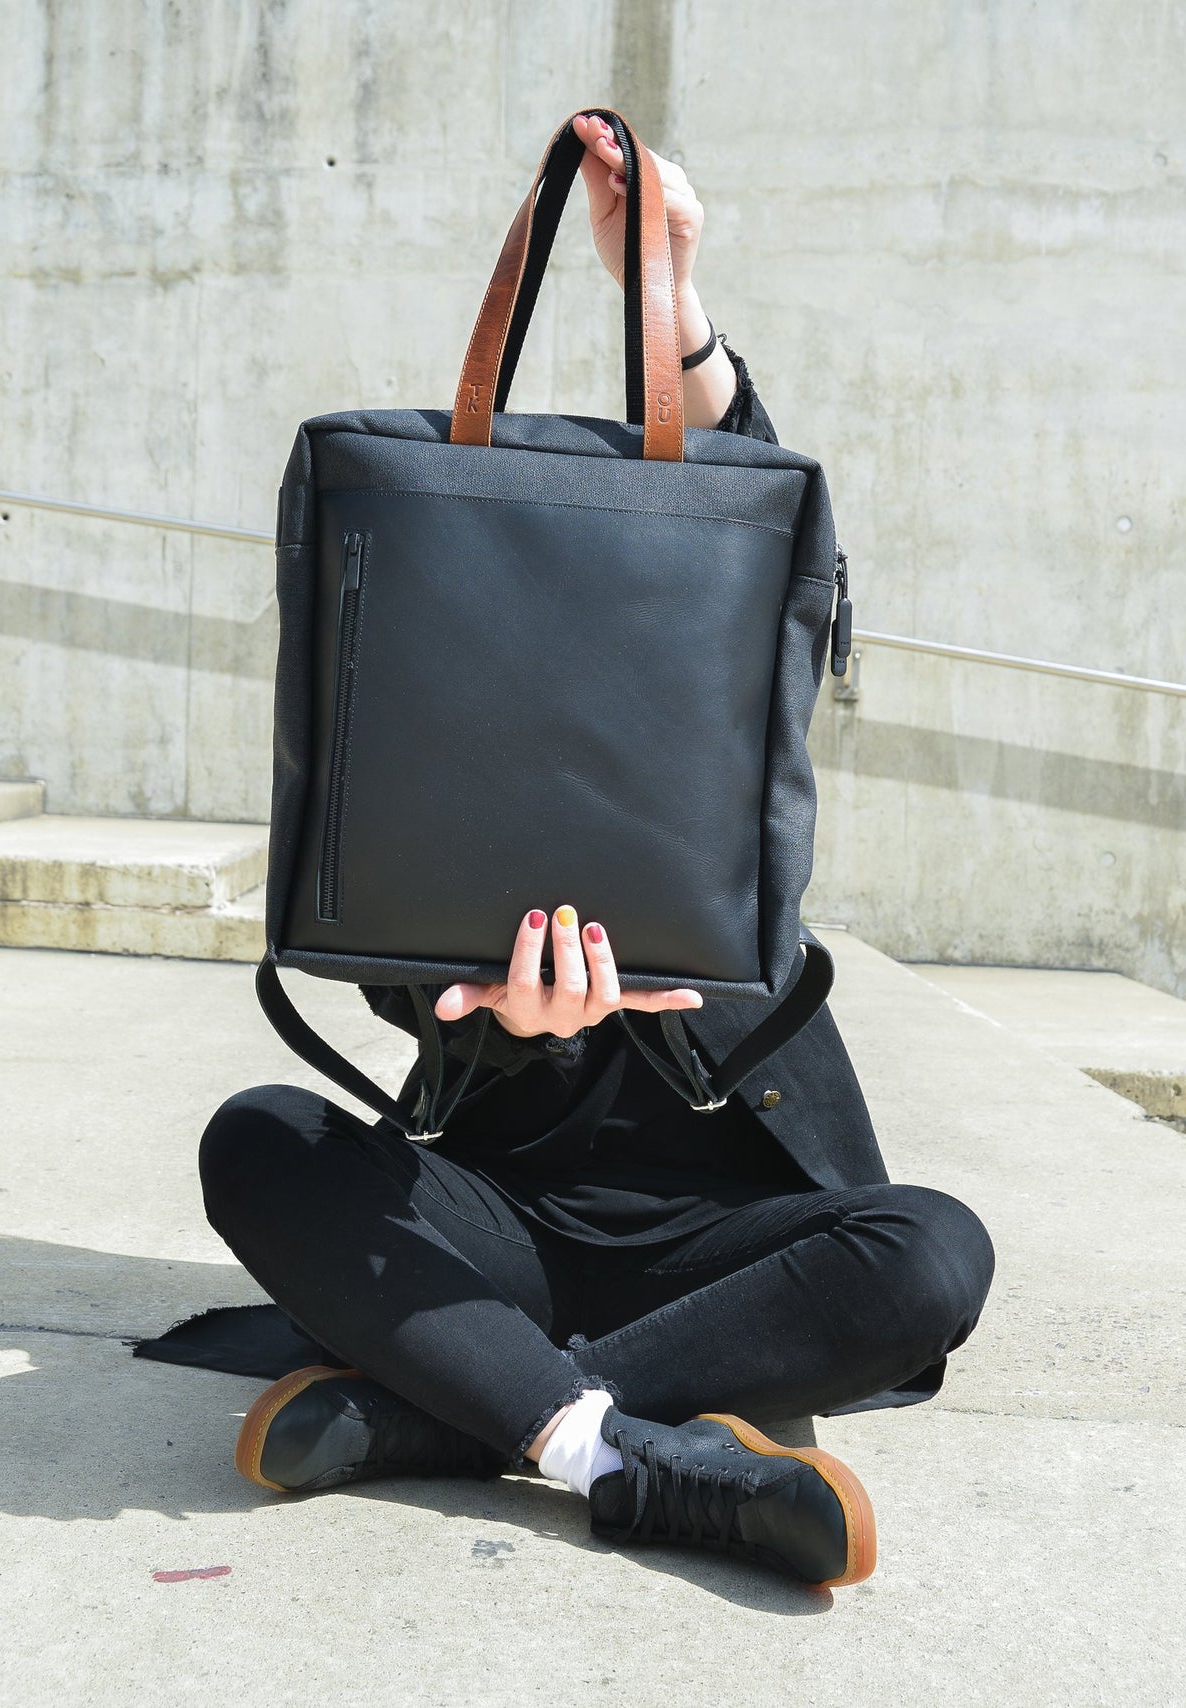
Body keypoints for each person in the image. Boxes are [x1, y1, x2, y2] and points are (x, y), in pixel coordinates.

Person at [183, 112, 995, 1592]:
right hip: (498, 1225)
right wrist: (517, 1032)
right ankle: (612, 1454)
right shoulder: (410, 765)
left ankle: (465, 1407)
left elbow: (755, 517)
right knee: (260, 1138)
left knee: (934, 1251)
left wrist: (668, 300)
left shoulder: (708, 700)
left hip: (737, 1249)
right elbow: (392, 985)